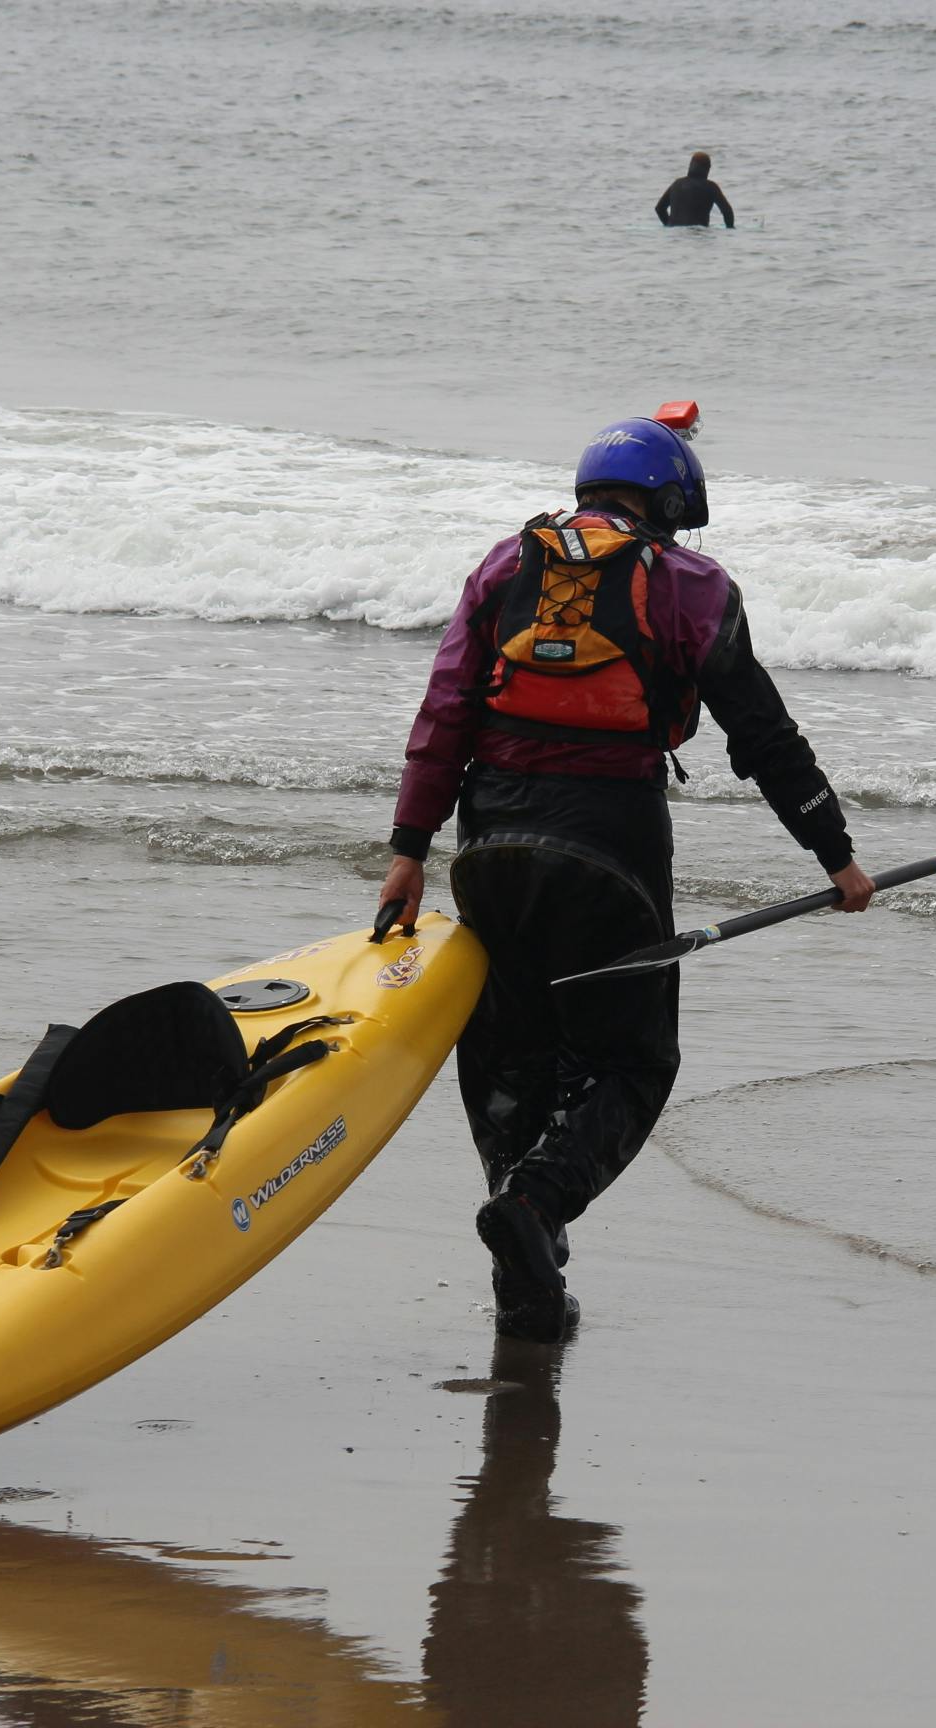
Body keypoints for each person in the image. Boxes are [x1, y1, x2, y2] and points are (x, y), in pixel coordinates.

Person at [378, 416, 871, 1342]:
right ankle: (536, 1206)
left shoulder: (502, 568)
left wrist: (409, 847)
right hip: (609, 846)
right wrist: (834, 857)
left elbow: (445, 707)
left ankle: (525, 1282)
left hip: (491, 848)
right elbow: (763, 735)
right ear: (671, 502)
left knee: (510, 1065)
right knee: (634, 1061)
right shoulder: (692, 587)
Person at [655, 153, 734, 229]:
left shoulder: (676, 184)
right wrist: (730, 229)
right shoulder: (711, 187)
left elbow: (659, 208)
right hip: (698, 231)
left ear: (690, 166)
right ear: (707, 169)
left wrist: (668, 224)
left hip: (674, 233)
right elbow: (727, 212)